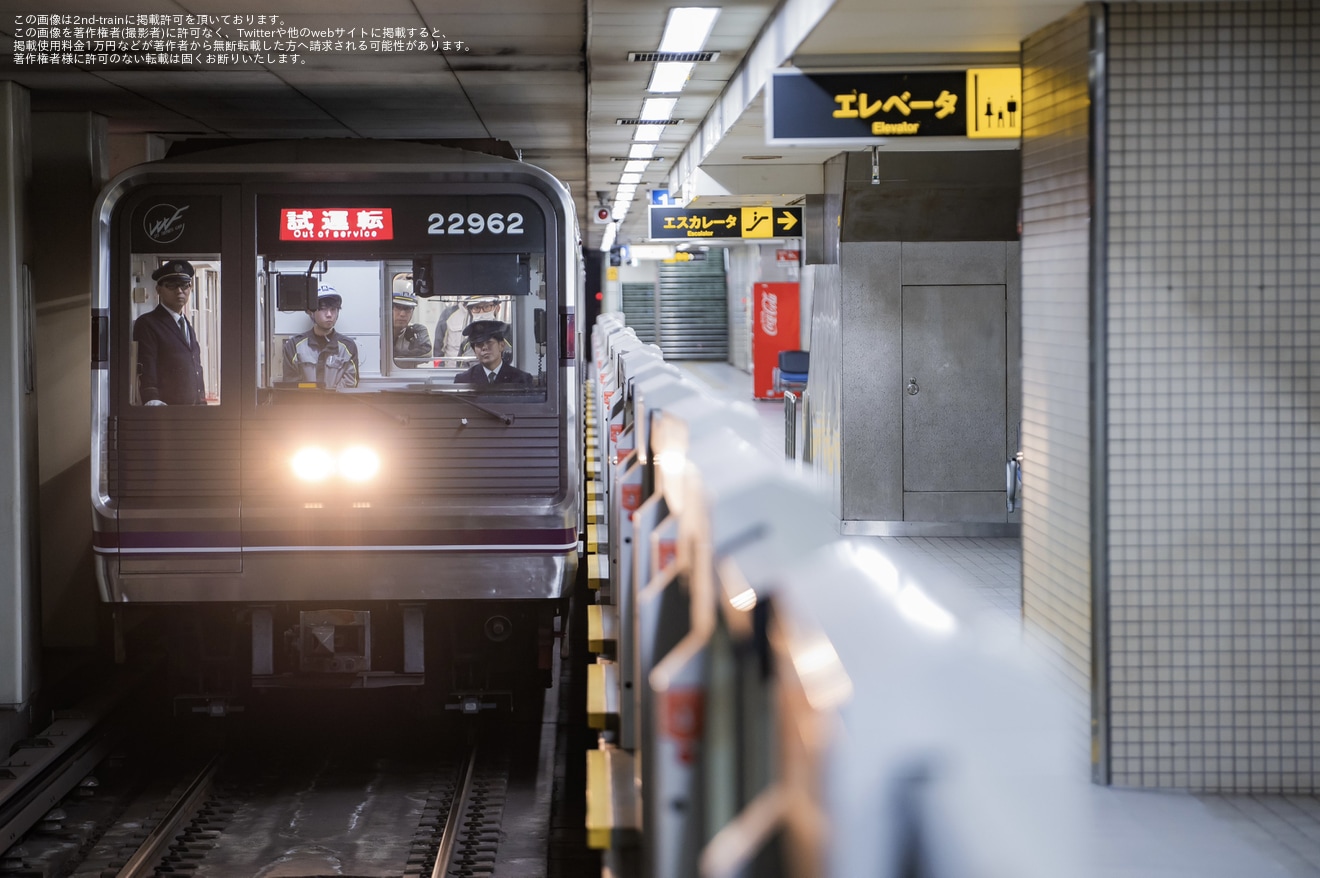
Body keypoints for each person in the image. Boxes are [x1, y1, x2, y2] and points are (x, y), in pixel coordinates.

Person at [134, 259, 205, 406]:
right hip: (166, 410)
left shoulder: (186, 325)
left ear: (190, 288)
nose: (179, 291)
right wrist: (152, 398)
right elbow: (147, 363)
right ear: (158, 290)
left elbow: (195, 365)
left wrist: (201, 401)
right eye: (171, 285)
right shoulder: (148, 323)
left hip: (193, 410)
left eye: (184, 285)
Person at [282, 288, 359, 389]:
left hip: (337, 403)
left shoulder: (348, 347)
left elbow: (351, 382)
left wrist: (329, 399)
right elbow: (291, 384)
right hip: (304, 404)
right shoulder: (294, 346)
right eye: (323, 309)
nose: (329, 314)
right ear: (311, 312)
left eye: (333, 309)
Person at [452, 320, 533, 387]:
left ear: (501, 346)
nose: (484, 348)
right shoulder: (464, 380)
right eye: (479, 345)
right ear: (474, 352)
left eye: (489, 343)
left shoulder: (521, 379)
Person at [435, 295, 503, 364]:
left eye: (487, 307)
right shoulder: (466, 345)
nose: (481, 312)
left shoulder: (509, 337)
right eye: (476, 308)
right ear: (470, 311)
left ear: (497, 308)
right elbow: (438, 349)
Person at [392, 292, 432, 358]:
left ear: (412, 311)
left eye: (407, 308)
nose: (402, 314)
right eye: (398, 308)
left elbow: (427, 353)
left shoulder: (416, 331)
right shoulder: (378, 332)